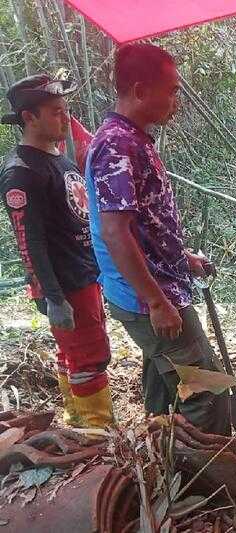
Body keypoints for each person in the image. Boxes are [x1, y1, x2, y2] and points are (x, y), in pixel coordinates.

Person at [85, 43, 225, 434]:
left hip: (157, 284)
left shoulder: (132, 139)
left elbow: (145, 222)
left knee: (164, 380)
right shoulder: (117, 145)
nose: (176, 101)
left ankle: (158, 459)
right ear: (141, 90)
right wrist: (156, 302)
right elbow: (115, 232)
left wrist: (183, 258)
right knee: (206, 393)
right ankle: (203, 485)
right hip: (148, 296)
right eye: (172, 90)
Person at [0, 75, 114, 428]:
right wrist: (52, 297)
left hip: (82, 274)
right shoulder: (22, 171)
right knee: (89, 357)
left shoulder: (57, 157)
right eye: (55, 112)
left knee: (75, 353)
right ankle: (98, 432)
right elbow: (27, 240)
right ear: (29, 117)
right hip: (63, 283)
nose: (65, 118)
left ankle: (80, 421)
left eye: (65, 110)